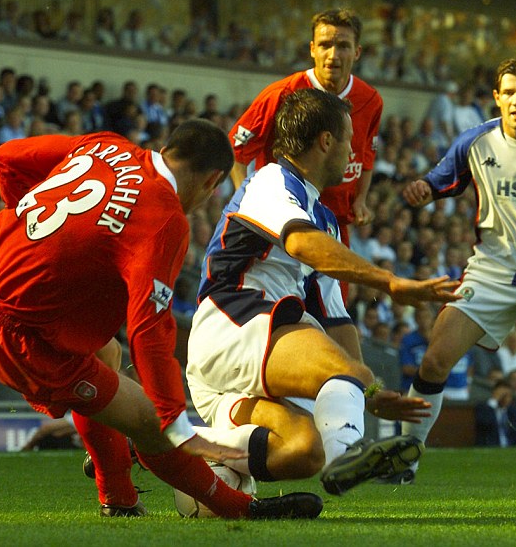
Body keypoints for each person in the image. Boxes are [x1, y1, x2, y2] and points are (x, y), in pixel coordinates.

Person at [0, 119, 321, 520]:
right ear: (212, 181)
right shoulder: (164, 219)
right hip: (17, 336)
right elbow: (148, 332)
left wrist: (26, 226)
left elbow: (5, 157)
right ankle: (240, 509)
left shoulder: (106, 144)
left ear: (168, 150)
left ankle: (118, 499)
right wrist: (174, 421)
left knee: (108, 355)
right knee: (150, 424)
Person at [186, 88, 461, 496]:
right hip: (231, 324)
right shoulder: (271, 180)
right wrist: (387, 282)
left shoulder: (326, 222)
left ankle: (175, 446)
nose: (354, 151)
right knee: (346, 374)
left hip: (248, 363)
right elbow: (298, 243)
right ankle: (346, 455)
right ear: (326, 141)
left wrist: (366, 391)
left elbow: (335, 319)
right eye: (349, 139)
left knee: (302, 450)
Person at [399, 57, 516, 482]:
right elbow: (440, 180)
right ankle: (404, 461)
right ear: (496, 98)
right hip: (491, 274)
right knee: (433, 361)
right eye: (508, 92)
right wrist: (423, 190)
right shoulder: (476, 141)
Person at [227, 7, 383, 370]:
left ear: (357, 52)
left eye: (343, 45)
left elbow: (369, 153)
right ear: (312, 48)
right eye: (326, 44)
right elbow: (237, 149)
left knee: (334, 318)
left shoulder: (370, 100)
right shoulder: (283, 93)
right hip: (284, 224)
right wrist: (249, 203)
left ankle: (346, 400)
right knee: (282, 318)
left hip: (333, 226)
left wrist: (360, 198)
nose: (334, 54)